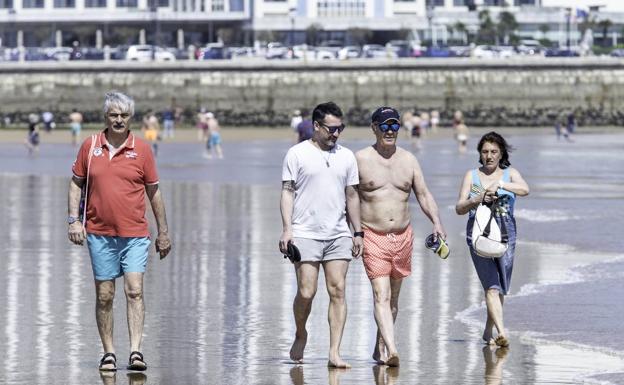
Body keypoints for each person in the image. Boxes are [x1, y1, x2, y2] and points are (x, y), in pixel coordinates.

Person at [67, 91, 172, 372]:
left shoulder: (143, 149)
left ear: (131, 118)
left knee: (134, 291)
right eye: (114, 115)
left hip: (135, 234)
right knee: (105, 295)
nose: (118, 120)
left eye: (124, 115)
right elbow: (76, 183)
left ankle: (136, 351)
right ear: (105, 116)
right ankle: (109, 352)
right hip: (99, 233)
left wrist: (163, 232)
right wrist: (73, 221)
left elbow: (154, 192)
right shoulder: (90, 147)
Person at [355, 106, 446, 367]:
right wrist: (353, 233)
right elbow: (347, 198)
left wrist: (437, 223)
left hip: (404, 237)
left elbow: (424, 194)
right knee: (380, 295)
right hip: (373, 234)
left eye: (394, 126)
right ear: (374, 128)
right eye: (384, 126)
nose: (390, 131)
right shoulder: (360, 159)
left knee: (393, 299)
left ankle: (380, 345)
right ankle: (393, 350)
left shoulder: (408, 160)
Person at [279, 101, 363, 368]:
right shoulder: (296, 154)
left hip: (338, 233)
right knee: (307, 291)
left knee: (338, 290)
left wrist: (357, 232)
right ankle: (301, 332)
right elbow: (287, 192)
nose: (336, 134)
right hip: (304, 232)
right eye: (331, 129)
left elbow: (352, 195)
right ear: (316, 126)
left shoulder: (347, 157)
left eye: (340, 129)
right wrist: (287, 229)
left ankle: (334, 352)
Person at [455, 132, 529, 348]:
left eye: (494, 152)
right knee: (492, 287)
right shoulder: (472, 176)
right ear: (480, 153)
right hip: (478, 235)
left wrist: (501, 185)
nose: (489, 156)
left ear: (501, 153)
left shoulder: (510, 174)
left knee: (501, 288)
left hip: (506, 234)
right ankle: (502, 332)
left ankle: (488, 331)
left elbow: (525, 189)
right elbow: (459, 207)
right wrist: (478, 198)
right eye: (485, 151)